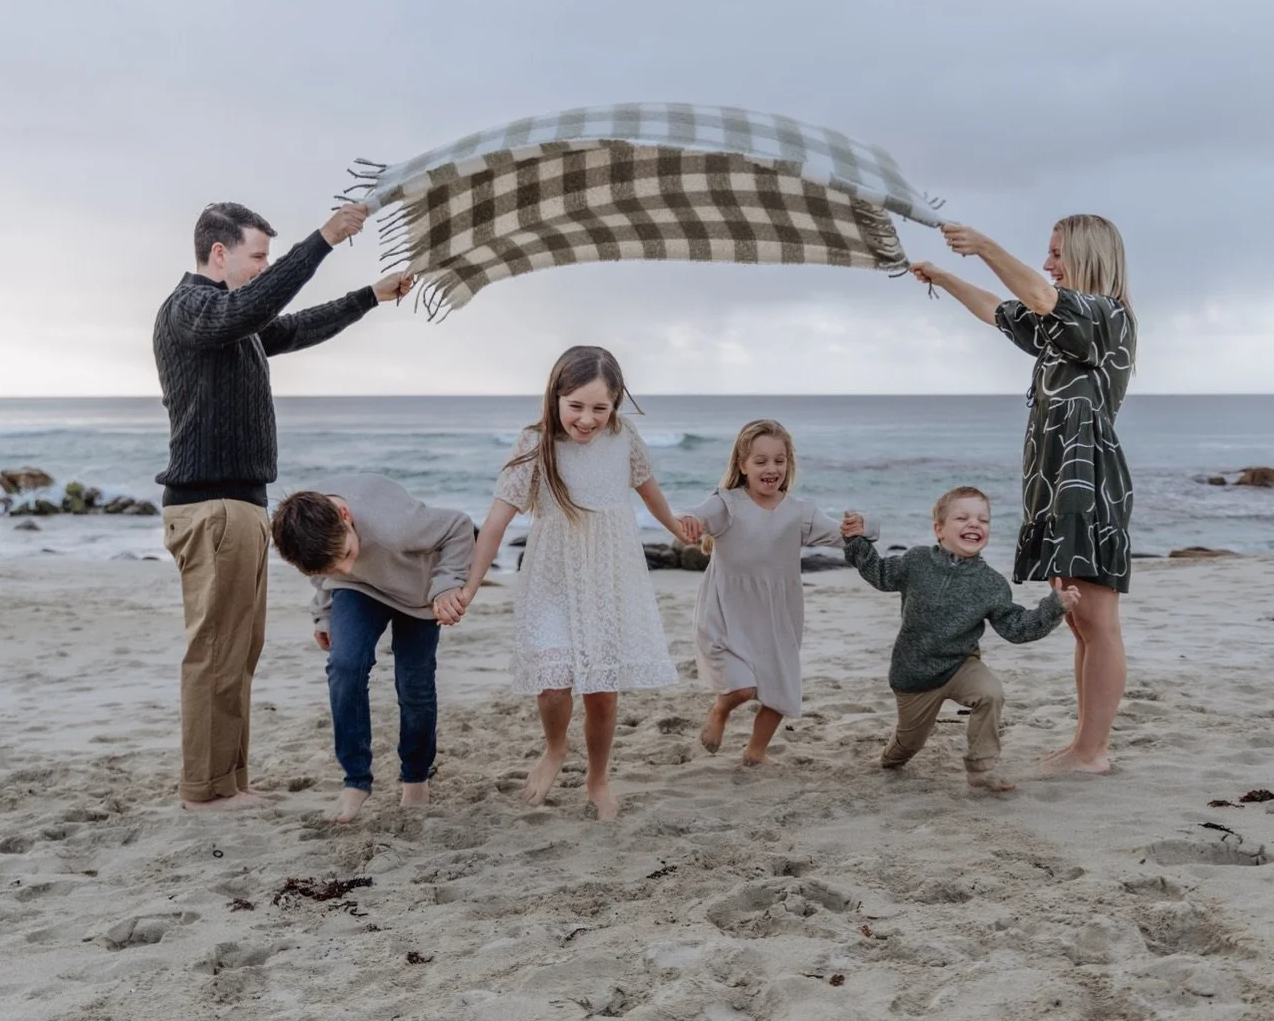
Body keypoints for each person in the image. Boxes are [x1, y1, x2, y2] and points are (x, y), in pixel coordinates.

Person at [154, 201, 413, 811]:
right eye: (257, 256)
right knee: (215, 653)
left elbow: (292, 327)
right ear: (219, 254)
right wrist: (322, 239)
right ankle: (205, 791)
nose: (264, 269)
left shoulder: (229, 321)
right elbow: (255, 304)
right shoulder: (191, 308)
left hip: (238, 506)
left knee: (239, 652)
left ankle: (230, 782)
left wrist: (369, 297)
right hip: (211, 507)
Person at [912, 215, 1135, 775]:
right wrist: (944, 275)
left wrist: (983, 245)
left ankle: (1093, 751)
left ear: (1087, 257)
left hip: (1088, 486)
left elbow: (1038, 293)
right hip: (1056, 485)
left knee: (1099, 622)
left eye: (1057, 253)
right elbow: (999, 310)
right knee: (1081, 621)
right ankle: (1085, 745)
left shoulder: (1105, 318)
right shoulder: (1063, 328)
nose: (1047, 262)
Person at [457, 346, 683, 821]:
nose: (587, 419)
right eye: (576, 405)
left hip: (609, 575)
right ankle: (555, 748)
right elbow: (495, 523)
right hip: (552, 578)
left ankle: (597, 777)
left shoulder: (625, 439)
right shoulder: (533, 442)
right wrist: (470, 588)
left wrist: (679, 531)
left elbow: (651, 494)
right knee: (554, 683)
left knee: (602, 689)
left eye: (600, 408)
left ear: (616, 404)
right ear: (556, 396)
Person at [843, 487, 1080, 791]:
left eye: (983, 520)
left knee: (990, 693)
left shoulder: (991, 584)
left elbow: (1016, 628)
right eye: (962, 517)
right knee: (907, 745)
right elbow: (878, 572)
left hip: (960, 665)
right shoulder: (916, 562)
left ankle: (981, 769)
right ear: (939, 530)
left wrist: (1052, 608)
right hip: (914, 673)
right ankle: (891, 757)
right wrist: (856, 540)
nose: (974, 524)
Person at [269, 475, 474, 824]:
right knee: (345, 666)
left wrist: (446, 586)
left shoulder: (395, 528)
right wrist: (323, 616)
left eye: (348, 554)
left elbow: (459, 526)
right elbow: (323, 572)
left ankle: (416, 778)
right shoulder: (308, 531)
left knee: (415, 685)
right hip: (358, 592)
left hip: (418, 593)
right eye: (336, 564)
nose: (347, 567)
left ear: (346, 514)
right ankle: (356, 780)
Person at [676, 419, 878, 765]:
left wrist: (862, 526)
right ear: (742, 465)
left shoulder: (799, 513)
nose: (772, 469)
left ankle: (756, 751)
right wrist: (686, 522)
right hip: (727, 613)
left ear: (788, 464)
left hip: (777, 615)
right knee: (741, 687)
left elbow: (845, 536)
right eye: (761, 461)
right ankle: (720, 711)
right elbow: (692, 516)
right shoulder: (727, 504)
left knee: (779, 692)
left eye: (779, 461)